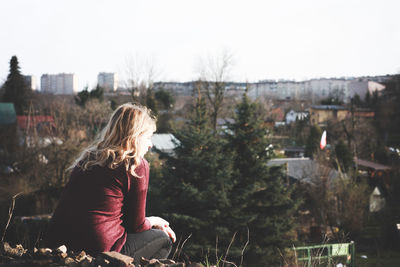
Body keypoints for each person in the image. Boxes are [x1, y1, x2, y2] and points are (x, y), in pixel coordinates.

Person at [45, 103, 175, 263]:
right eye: (148, 137)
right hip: (101, 248)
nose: (150, 144)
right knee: (163, 239)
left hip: (60, 243)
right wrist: (155, 221)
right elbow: (136, 225)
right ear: (135, 136)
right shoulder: (135, 165)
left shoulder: (88, 159)